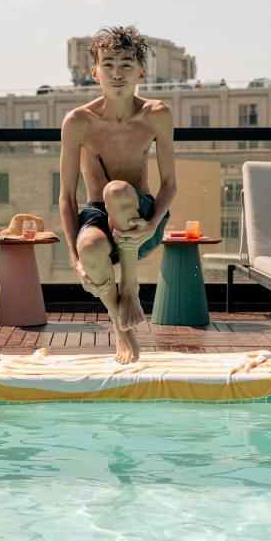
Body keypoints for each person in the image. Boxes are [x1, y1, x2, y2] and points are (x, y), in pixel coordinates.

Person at [59, 25, 176, 363]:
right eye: (108, 64)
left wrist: (153, 223)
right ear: (94, 73)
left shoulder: (157, 115)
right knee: (89, 247)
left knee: (118, 191)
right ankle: (119, 322)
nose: (117, 73)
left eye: (126, 64)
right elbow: (67, 197)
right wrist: (74, 259)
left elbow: (170, 184)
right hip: (98, 214)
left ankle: (131, 288)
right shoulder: (78, 121)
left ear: (141, 71)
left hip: (142, 219)